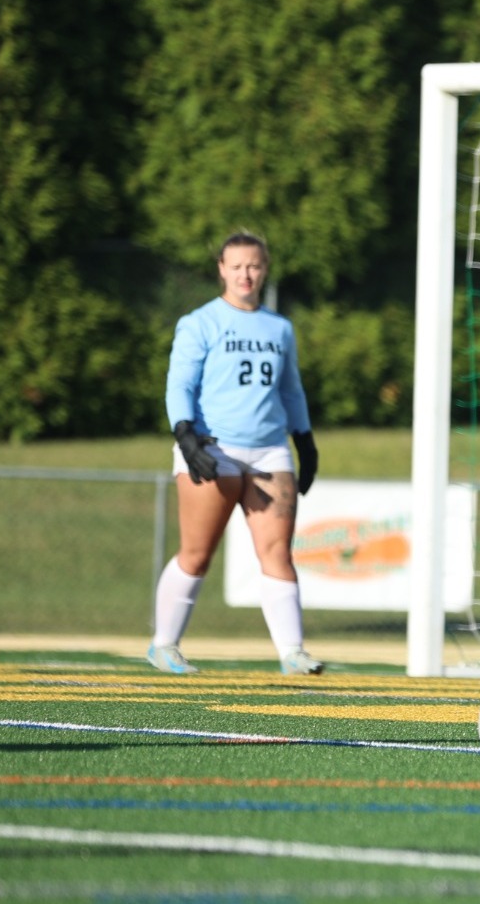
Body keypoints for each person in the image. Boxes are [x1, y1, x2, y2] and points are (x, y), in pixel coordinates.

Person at [148, 230, 325, 676]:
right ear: (222, 270)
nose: (246, 273)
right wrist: (186, 436)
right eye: (237, 265)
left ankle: (293, 653)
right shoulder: (200, 322)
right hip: (213, 447)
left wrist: (304, 439)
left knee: (278, 553)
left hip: (270, 451)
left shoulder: (279, 328)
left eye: (255, 265)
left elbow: (291, 389)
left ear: (265, 270)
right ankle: (163, 645)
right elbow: (180, 384)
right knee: (197, 553)